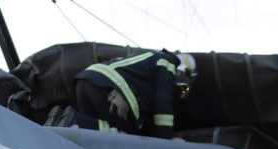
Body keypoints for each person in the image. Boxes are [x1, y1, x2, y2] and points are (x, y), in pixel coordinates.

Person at [52, 50, 196, 138]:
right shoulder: (168, 62)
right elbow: (163, 104)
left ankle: (67, 119)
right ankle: (75, 121)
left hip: (86, 81)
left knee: (94, 136)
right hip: (110, 88)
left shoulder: (150, 60)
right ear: (184, 72)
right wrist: (166, 140)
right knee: (124, 136)